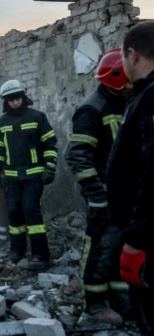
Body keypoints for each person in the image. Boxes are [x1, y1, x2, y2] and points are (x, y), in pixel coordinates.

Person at [65, 48, 130, 324]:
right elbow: (77, 155)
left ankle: (120, 298)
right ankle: (95, 303)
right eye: (128, 80)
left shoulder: (127, 102)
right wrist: (96, 196)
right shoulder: (93, 108)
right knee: (101, 246)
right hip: (104, 194)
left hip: (126, 193)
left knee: (121, 245)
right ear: (116, 79)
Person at [106, 21, 154, 334]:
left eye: (123, 57)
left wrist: (136, 239)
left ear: (132, 55)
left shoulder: (150, 98)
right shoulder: (143, 96)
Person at [0, 80, 58, 271]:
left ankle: (40, 255)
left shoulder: (37, 117)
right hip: (12, 177)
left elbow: (50, 144)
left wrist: (50, 167)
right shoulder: (1, 122)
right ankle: (17, 251)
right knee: (14, 214)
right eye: (11, 99)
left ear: (23, 97)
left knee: (31, 211)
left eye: (17, 98)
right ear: (6, 101)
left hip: (34, 175)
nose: (15, 102)